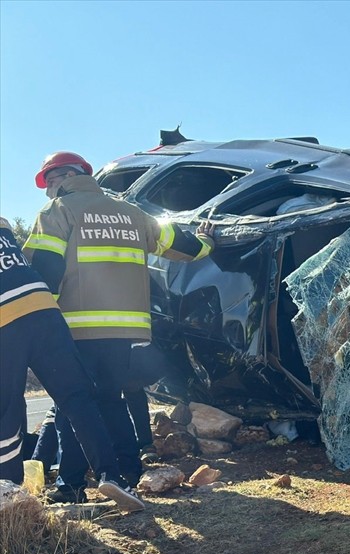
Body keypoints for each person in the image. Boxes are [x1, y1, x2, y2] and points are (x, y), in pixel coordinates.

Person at [23, 151, 214, 503]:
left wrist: (37, 323)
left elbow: (45, 272)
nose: (48, 191)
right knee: (111, 398)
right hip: (127, 330)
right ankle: (128, 471)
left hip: (75, 327)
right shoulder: (132, 214)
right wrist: (206, 240)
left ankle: (71, 486)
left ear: (62, 177)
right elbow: (184, 246)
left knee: (72, 403)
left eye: (49, 182)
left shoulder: (58, 212)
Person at [0, 216, 143, 510]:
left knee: (7, 407)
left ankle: (10, 493)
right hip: (43, 308)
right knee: (78, 398)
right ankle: (112, 476)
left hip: (4, 318)